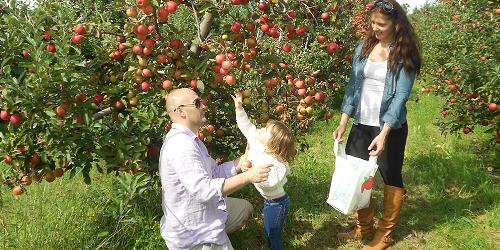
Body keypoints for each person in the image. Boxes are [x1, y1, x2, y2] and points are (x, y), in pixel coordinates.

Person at [332, 0, 422, 249]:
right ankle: (363, 227)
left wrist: (384, 134)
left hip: (389, 128)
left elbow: (400, 97)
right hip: (362, 123)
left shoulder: (405, 54)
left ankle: (385, 234)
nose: (375, 28)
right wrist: (343, 121)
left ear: (396, 24)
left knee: (389, 175)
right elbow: (352, 87)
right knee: (357, 175)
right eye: (372, 22)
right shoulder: (363, 47)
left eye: (381, 24)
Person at [159, 88, 272, 250]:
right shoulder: (181, 146)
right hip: (193, 232)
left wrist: (241, 162)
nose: (203, 106)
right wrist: (248, 177)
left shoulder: (192, 140)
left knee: (244, 209)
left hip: (202, 213)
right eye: (197, 103)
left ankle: (219, 231)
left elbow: (214, 173)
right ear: (180, 111)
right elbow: (204, 191)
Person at [232, 92, 295, 250]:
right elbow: (246, 126)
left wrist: (250, 171)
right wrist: (239, 108)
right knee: (269, 231)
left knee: (274, 234)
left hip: (278, 203)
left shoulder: (275, 162)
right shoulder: (257, 141)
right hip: (269, 202)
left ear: (272, 144)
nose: (261, 128)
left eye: (266, 130)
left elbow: (270, 183)